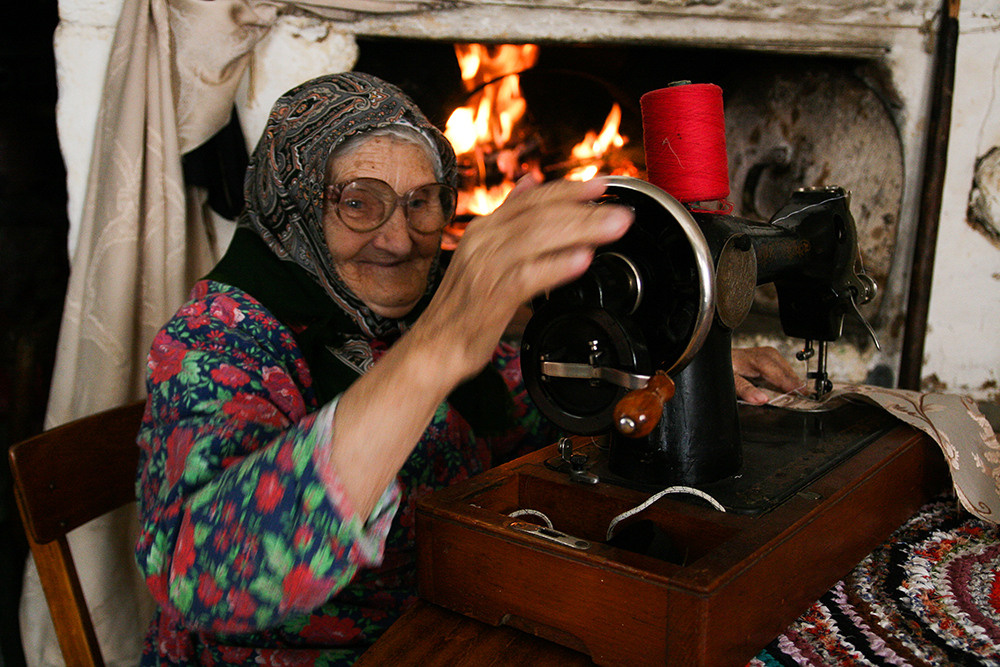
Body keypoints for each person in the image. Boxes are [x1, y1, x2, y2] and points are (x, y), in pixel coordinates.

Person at [135, 71, 800, 664]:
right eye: (360, 201)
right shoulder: (220, 339)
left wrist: (678, 370)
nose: (399, 238)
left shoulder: (403, 312)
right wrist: (436, 351)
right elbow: (206, 581)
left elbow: (524, 400)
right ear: (295, 206)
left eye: (422, 201)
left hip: (447, 625)